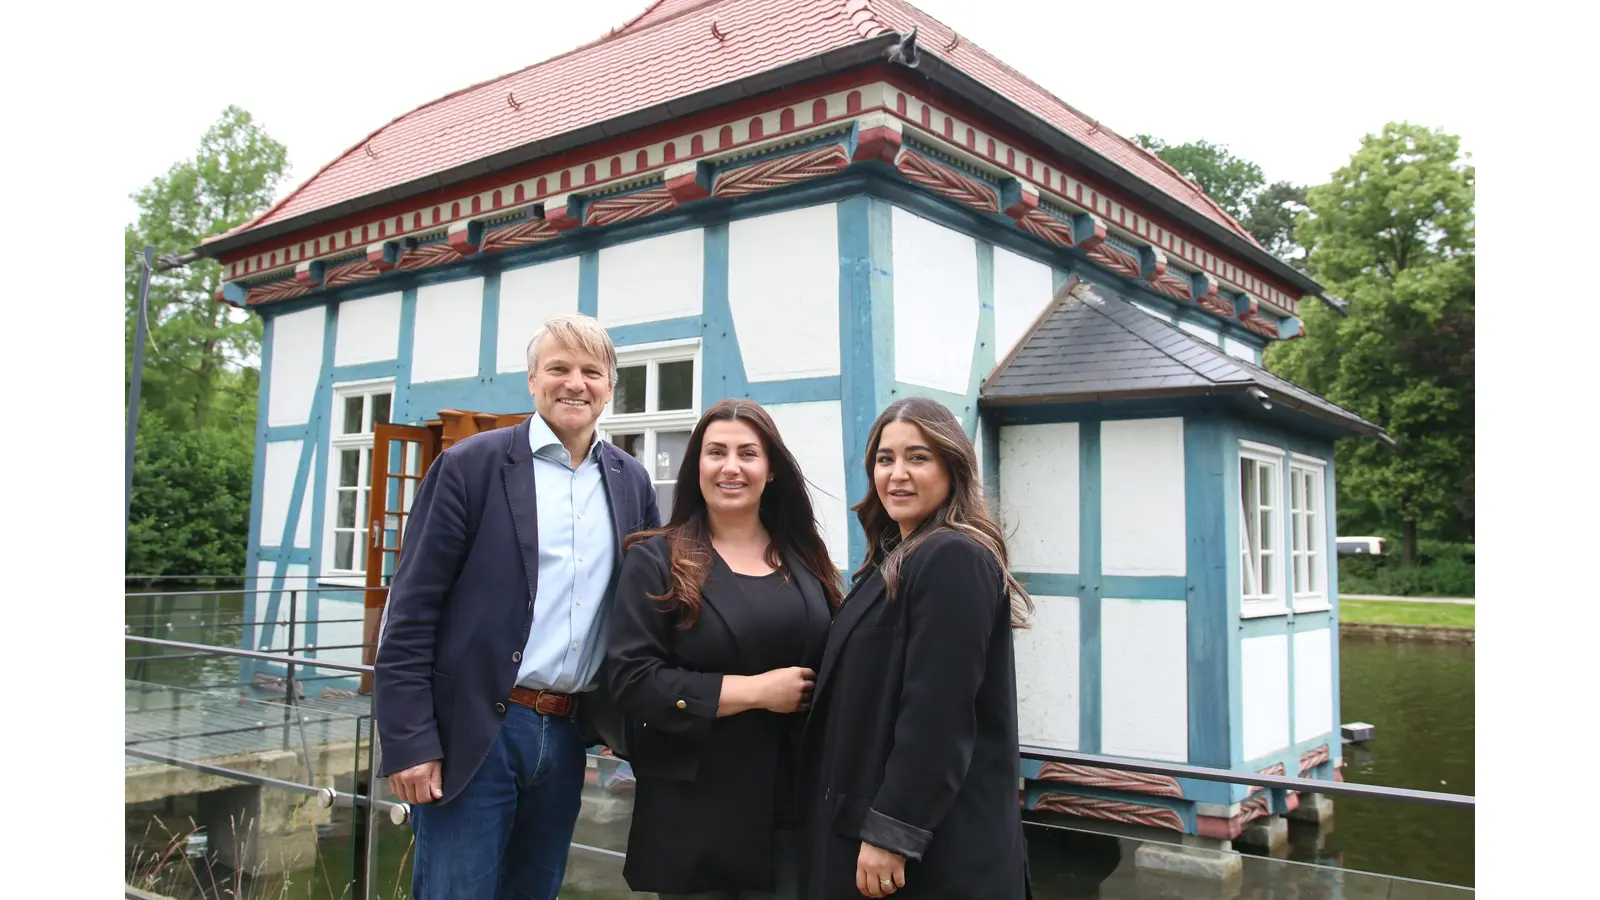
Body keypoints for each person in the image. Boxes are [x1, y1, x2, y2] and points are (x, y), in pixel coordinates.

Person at [373, 313, 660, 900]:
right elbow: (411, 613)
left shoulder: (631, 481)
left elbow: (644, 609)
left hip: (568, 732)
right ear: (532, 380)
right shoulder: (469, 466)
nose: (575, 383)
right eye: (558, 368)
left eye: (591, 372)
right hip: (474, 732)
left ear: (610, 386)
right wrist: (410, 741)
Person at [799, 397, 1035, 900]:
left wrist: (894, 830)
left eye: (918, 457)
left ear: (952, 467)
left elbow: (938, 712)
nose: (897, 474)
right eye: (885, 459)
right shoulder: (894, 561)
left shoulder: (953, 556)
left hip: (933, 854)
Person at [606, 399, 842, 900]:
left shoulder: (805, 556)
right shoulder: (656, 561)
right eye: (716, 452)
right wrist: (756, 692)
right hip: (699, 818)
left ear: (771, 469)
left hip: (796, 806)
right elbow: (631, 681)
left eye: (747, 453)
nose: (731, 467)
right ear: (697, 466)